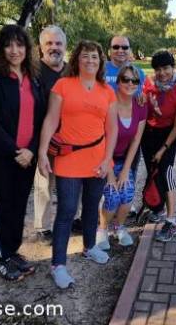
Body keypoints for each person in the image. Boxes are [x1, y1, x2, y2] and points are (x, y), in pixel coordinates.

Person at [38, 40, 118, 289]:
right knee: (66, 211)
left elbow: (112, 128)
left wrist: (107, 160)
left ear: (100, 61)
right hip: (68, 159)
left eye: (94, 57)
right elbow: (51, 120)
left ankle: (89, 246)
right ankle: (58, 265)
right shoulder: (63, 85)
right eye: (85, 56)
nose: (90, 61)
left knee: (92, 206)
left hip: (97, 160)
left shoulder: (107, 90)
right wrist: (42, 151)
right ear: (77, 59)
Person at [0, 25, 46, 281]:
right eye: (8, 45)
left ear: (27, 48)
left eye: (19, 45)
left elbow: (42, 119)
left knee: (18, 206)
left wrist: (31, 150)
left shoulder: (35, 77)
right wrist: (16, 150)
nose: (14, 50)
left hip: (27, 156)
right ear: (1, 48)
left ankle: (13, 251)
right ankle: (2, 257)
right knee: (2, 207)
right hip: (1, 156)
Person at [97, 64, 147, 249]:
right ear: (118, 82)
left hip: (124, 159)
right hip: (103, 159)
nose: (130, 83)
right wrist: (110, 173)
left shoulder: (140, 105)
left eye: (134, 80)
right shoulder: (108, 103)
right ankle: (102, 230)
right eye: (125, 79)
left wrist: (125, 171)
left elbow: (136, 140)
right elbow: (102, 140)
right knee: (112, 196)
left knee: (126, 195)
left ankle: (119, 227)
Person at [142, 51, 176, 242]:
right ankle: (157, 208)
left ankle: (171, 221)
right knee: (153, 171)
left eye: (166, 68)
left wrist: (163, 149)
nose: (162, 73)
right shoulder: (148, 85)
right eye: (158, 69)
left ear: (173, 68)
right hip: (148, 135)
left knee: (166, 172)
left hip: (168, 136)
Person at [104, 35, 146, 217]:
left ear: (129, 50)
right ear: (110, 49)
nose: (120, 50)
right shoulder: (101, 69)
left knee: (129, 170)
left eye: (124, 47)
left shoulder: (138, 73)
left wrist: (144, 96)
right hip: (106, 129)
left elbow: (140, 94)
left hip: (128, 131)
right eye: (116, 46)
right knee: (104, 180)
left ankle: (126, 203)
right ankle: (101, 211)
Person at [33, 25, 67, 243]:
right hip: (44, 139)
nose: (54, 48)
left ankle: (72, 220)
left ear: (65, 46)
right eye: (49, 43)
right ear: (41, 47)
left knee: (70, 185)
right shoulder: (33, 72)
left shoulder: (73, 70)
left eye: (58, 43)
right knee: (45, 184)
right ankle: (43, 226)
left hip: (71, 140)